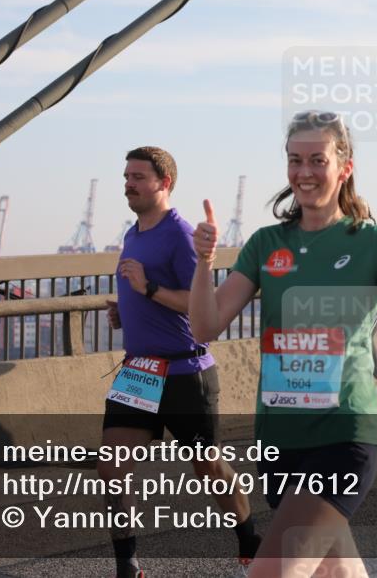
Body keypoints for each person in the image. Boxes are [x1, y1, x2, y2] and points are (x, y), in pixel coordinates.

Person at [189, 112, 377, 577]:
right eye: (295, 160)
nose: (304, 172)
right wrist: (203, 263)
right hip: (279, 440)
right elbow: (205, 327)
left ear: (345, 167)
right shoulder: (265, 244)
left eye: (317, 160)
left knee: (274, 572)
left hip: (343, 437)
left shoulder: (372, 242)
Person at [98, 146, 260, 578]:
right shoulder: (134, 233)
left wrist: (147, 289)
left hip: (185, 369)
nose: (128, 183)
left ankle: (249, 540)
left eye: (138, 177)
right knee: (112, 464)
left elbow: (199, 303)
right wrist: (125, 308)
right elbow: (146, 291)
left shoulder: (180, 234)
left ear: (163, 183)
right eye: (126, 175)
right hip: (139, 370)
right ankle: (127, 564)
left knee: (207, 464)